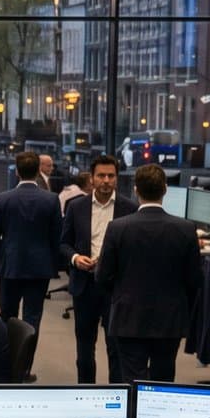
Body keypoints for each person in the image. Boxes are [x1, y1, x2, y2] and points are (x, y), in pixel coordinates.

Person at [95, 165, 201, 383]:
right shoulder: (185, 228)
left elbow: (102, 276)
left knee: (132, 379)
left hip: (128, 317)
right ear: (165, 189)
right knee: (163, 381)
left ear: (136, 190)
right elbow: (194, 279)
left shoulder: (117, 227)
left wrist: (121, 293)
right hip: (169, 319)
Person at [58, 155, 137, 384]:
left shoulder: (129, 208)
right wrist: (75, 258)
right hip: (84, 285)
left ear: (117, 179)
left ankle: (115, 400)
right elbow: (63, 243)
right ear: (91, 179)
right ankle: (86, 395)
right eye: (101, 176)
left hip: (116, 288)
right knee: (84, 350)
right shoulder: (76, 207)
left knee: (116, 350)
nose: (106, 180)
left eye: (110, 176)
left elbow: (132, 250)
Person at [0, 151, 63, 332]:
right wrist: (54, 265)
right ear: (38, 171)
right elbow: (56, 235)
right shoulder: (51, 200)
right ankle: (26, 359)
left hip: (10, 264)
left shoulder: (3, 199)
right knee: (33, 318)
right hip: (40, 266)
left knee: (7, 314)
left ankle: (8, 357)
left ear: (17, 172)